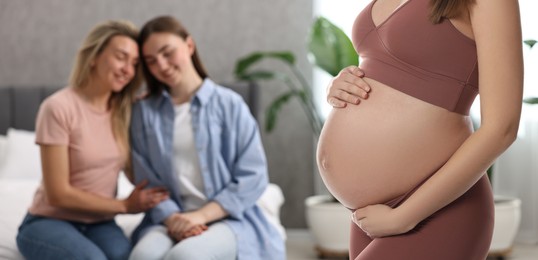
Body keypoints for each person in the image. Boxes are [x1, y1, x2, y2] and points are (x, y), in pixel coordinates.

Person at [319, 0, 523, 259]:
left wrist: (403, 217)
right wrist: (337, 86)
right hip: (371, 214)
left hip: (436, 209)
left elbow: (502, 128)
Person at [128, 16, 285, 260]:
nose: (162, 65)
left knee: (185, 256)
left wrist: (199, 217)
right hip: (168, 218)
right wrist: (175, 220)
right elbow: (146, 179)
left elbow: (253, 176)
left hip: (228, 218)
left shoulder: (230, 104)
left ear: (189, 46)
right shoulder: (143, 112)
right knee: (142, 256)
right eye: (151, 61)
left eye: (167, 53)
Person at [16, 20, 169, 260]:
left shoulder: (125, 111)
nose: (127, 70)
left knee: (126, 256)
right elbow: (57, 194)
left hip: (101, 223)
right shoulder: (58, 108)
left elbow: (137, 168)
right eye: (121, 57)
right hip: (49, 221)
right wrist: (124, 206)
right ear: (94, 56)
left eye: (134, 64)